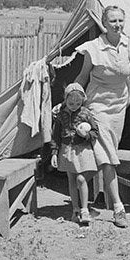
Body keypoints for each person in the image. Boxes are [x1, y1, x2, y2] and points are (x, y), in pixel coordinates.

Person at [76, 5, 130, 229]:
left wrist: (128, 99)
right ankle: (119, 208)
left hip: (118, 107)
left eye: (120, 20)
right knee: (109, 155)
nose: (117, 25)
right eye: (112, 21)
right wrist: (72, 101)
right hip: (97, 106)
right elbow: (82, 77)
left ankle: (86, 203)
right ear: (104, 23)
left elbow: (128, 75)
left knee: (107, 153)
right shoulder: (93, 48)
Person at [50, 83, 105, 226]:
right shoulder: (61, 115)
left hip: (83, 150)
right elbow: (56, 135)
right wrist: (54, 152)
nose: (74, 105)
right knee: (71, 179)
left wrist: (85, 135)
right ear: (65, 100)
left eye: (77, 103)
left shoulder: (86, 113)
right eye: (71, 103)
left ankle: (85, 209)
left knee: (81, 179)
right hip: (67, 149)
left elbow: (95, 132)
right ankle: (75, 210)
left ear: (82, 101)